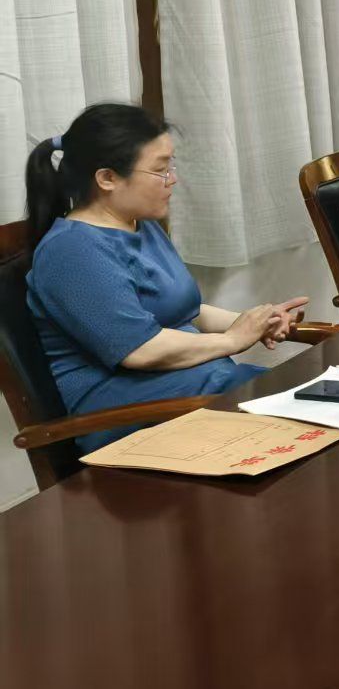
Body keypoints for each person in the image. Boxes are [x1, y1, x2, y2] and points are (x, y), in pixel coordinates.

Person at [23, 104, 306, 450]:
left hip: (192, 388)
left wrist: (257, 322)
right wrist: (233, 340)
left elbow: (186, 311)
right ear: (107, 178)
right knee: (292, 403)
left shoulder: (140, 223)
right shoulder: (71, 250)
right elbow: (140, 350)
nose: (172, 179)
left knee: (301, 396)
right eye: (160, 170)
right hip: (123, 414)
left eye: (171, 166)